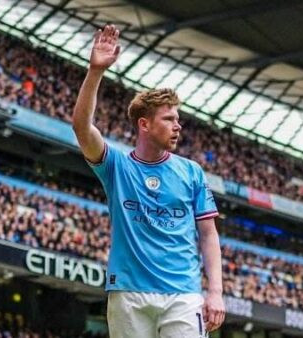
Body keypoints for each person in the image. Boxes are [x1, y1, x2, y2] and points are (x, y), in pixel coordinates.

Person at [71, 24, 225, 337]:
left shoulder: (192, 171)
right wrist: (95, 71)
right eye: (169, 119)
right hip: (128, 293)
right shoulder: (116, 166)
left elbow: (208, 235)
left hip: (183, 293)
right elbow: (82, 129)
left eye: (178, 120)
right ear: (145, 124)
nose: (178, 126)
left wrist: (216, 292)